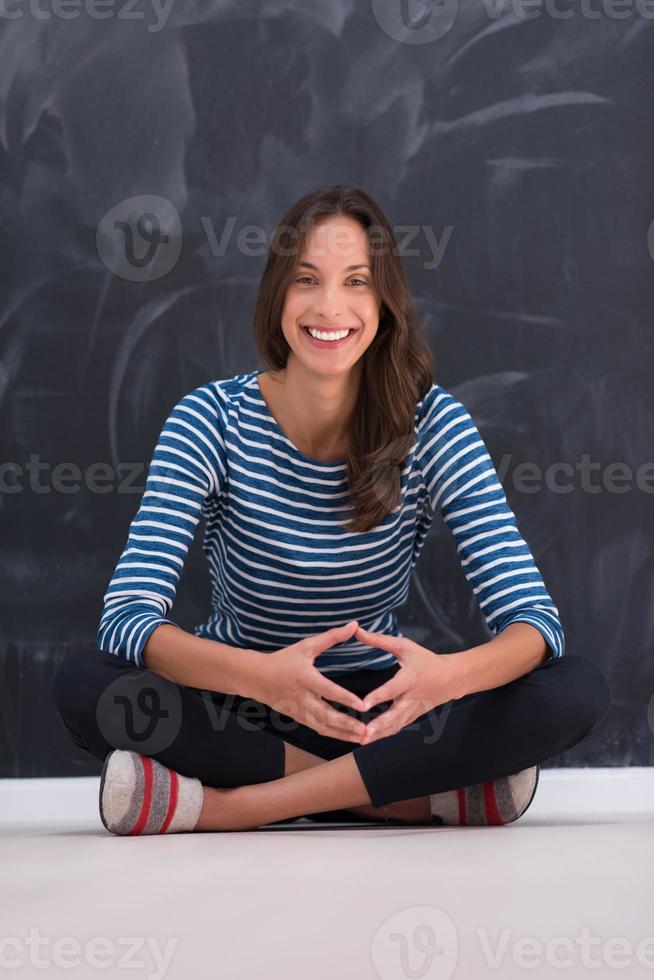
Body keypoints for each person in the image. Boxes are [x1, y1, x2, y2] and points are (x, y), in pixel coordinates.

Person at [49, 185, 611, 835]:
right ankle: (408, 797)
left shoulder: (434, 427)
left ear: (384, 303)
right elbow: (126, 620)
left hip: (380, 709)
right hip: (238, 699)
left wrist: (444, 681)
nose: (329, 307)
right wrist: (264, 679)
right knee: (85, 682)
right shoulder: (208, 420)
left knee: (575, 689)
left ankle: (231, 807)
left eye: (356, 282)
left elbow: (535, 625)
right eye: (306, 280)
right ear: (276, 296)